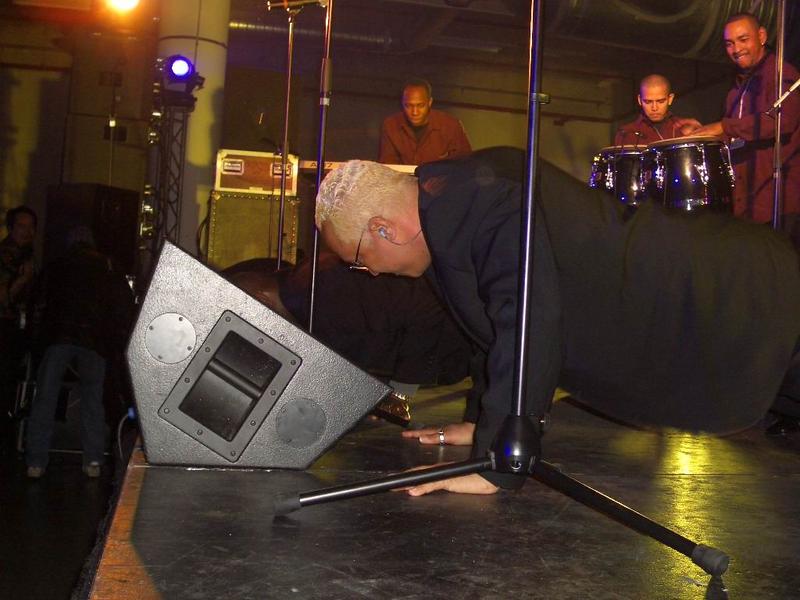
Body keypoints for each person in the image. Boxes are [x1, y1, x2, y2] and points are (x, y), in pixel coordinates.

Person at [315, 147, 800, 496]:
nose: (369, 272)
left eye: (359, 259)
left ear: (383, 229)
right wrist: (481, 420)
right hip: (706, 317)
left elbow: (526, 322)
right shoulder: (447, 202)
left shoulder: (484, 207)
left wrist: (496, 461)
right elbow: (490, 330)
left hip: (731, 303)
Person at [222, 252, 473, 397]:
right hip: (460, 344)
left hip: (462, 341)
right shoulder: (308, 289)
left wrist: (403, 388)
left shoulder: (321, 293)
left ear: (261, 298)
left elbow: (425, 304)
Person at [25, 227, 132, 479]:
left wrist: (35, 340)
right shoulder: (107, 266)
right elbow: (122, 304)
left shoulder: (56, 265)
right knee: (92, 399)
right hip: (94, 339)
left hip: (57, 336)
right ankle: (93, 459)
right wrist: (114, 339)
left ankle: (36, 461)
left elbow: (38, 302)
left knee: (45, 398)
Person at [689, 13, 800, 247]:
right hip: (746, 204)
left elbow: (781, 122)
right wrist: (704, 133)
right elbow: (737, 135)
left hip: (777, 205)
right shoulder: (737, 89)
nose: (736, 49)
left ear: (762, 36)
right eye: (729, 43)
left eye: (743, 39)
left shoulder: (782, 74)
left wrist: (723, 126)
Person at [0, 206, 37, 448]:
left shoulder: (26, 255)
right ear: (11, 228)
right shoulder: (7, 256)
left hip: (14, 329)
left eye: (31, 227)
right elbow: (3, 298)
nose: (27, 232)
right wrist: (23, 280)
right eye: (22, 226)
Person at [378, 78, 472, 166]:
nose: (415, 112)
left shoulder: (451, 126)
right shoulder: (390, 125)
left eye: (420, 106)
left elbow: (465, 165)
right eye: (408, 106)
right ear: (402, 103)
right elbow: (388, 165)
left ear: (429, 102)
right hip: (400, 178)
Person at [614, 74, 701, 146]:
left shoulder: (686, 127)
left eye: (660, 101)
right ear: (640, 100)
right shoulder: (626, 133)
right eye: (648, 102)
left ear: (670, 99)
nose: (654, 108)